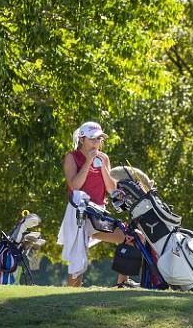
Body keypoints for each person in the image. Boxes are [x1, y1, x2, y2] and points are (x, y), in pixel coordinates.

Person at [56, 122, 136, 287]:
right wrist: (88, 162)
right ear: (82, 139)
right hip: (79, 214)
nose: (96, 142)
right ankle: (70, 297)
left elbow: (111, 189)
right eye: (92, 139)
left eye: (99, 139)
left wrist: (103, 169)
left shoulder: (104, 158)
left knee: (131, 237)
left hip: (98, 214)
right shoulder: (71, 157)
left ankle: (122, 284)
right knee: (77, 264)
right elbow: (75, 186)